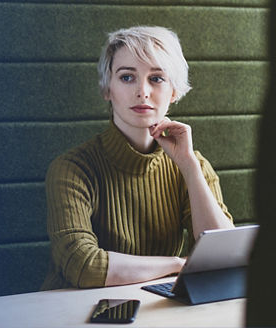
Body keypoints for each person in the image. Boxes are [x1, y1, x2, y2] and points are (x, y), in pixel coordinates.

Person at [41, 26, 234, 291]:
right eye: (127, 77)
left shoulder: (194, 164)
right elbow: (83, 266)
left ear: (174, 91)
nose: (142, 91)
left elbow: (224, 256)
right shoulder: (71, 169)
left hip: (156, 307)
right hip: (73, 311)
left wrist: (189, 166)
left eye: (156, 79)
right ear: (107, 88)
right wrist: (180, 263)